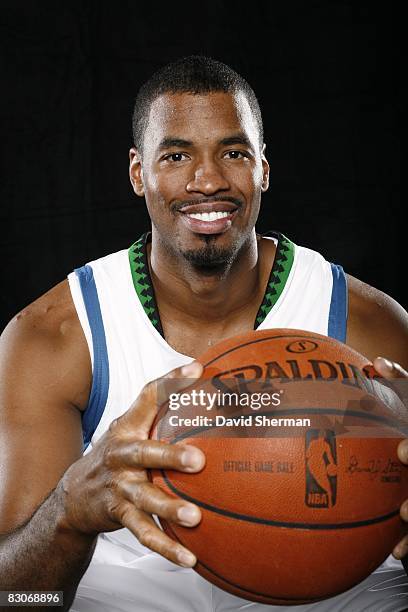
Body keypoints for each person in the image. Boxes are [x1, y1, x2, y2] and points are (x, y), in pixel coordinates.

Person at [0, 55, 407, 612]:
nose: (208, 180)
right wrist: (68, 513)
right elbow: (20, 602)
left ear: (264, 167)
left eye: (234, 153)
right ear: (138, 172)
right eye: (176, 155)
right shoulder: (55, 337)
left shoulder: (369, 326)